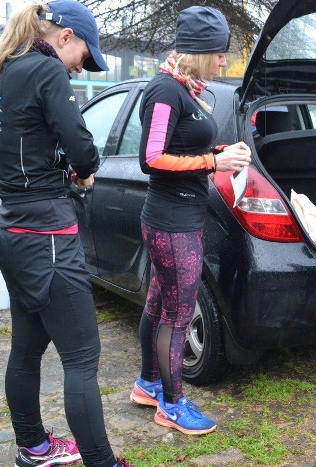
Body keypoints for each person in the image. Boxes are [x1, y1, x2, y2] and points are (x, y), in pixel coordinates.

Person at [0, 0, 168, 467]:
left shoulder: (2, 70)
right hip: (47, 235)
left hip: (13, 233)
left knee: (26, 349)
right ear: (65, 36)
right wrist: (59, 157)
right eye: (83, 57)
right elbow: (85, 152)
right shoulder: (45, 69)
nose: (79, 68)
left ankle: (33, 447)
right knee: (82, 358)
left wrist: (16, 146)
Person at [128, 6, 251, 434]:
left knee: (160, 305)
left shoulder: (186, 89)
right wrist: (211, 163)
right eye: (219, 54)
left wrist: (219, 154)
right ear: (200, 51)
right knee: (178, 315)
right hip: (172, 222)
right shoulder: (165, 90)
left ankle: (148, 385)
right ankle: (172, 404)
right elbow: (152, 157)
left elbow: (179, 147)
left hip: (177, 217)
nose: (223, 61)